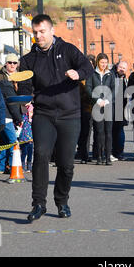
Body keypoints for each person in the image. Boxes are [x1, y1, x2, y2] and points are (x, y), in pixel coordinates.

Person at [17, 14, 94, 222]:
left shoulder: (67, 50)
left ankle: (62, 201)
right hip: (44, 114)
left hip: (70, 114)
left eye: (42, 32)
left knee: (66, 163)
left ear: (52, 31)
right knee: (41, 154)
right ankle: (38, 204)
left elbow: (88, 67)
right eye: (35, 32)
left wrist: (79, 74)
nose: (38, 36)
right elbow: (25, 87)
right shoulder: (28, 60)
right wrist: (24, 102)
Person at [85, 53, 116, 166]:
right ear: (98, 62)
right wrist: (98, 100)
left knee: (108, 132)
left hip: (108, 106)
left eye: (106, 62)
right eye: (102, 62)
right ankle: (99, 156)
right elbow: (88, 88)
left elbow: (114, 89)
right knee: (99, 132)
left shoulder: (110, 74)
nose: (104, 64)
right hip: (96, 106)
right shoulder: (92, 74)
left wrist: (107, 101)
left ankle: (107, 157)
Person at [111, 61, 129, 161]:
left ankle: (118, 152)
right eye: (120, 67)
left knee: (119, 130)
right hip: (111, 106)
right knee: (111, 130)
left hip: (120, 107)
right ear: (117, 66)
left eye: (124, 68)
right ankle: (111, 152)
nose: (122, 69)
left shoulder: (123, 78)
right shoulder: (111, 75)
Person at [19, 103, 33, 172]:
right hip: (24, 136)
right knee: (24, 151)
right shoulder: (23, 116)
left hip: (30, 136)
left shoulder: (32, 118)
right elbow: (21, 124)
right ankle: (22, 165)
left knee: (30, 151)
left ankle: (29, 165)